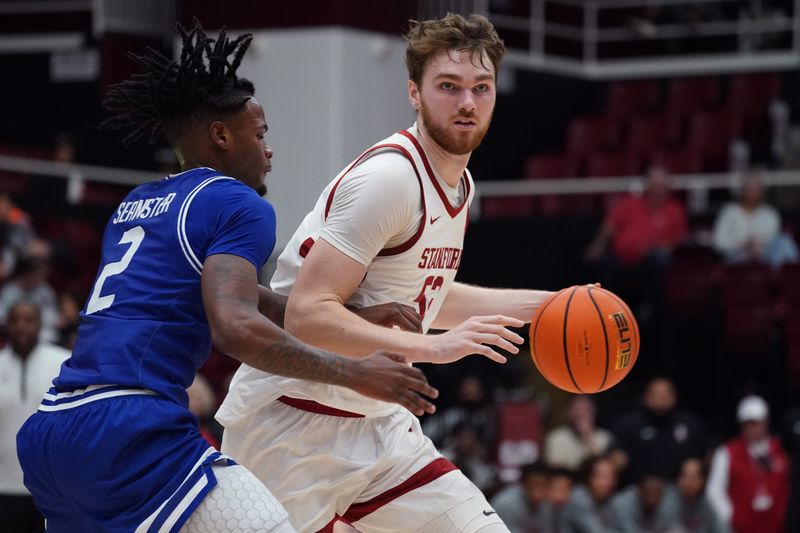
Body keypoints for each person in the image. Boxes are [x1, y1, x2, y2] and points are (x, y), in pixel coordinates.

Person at [15, 21, 437, 533]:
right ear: (221, 135)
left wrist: (350, 315)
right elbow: (234, 327)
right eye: (259, 135)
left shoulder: (136, 204)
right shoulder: (235, 201)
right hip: (128, 428)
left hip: (51, 432)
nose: (269, 150)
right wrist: (357, 372)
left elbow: (240, 294)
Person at [218, 13, 559, 532]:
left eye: (480, 88)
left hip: (379, 427)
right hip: (291, 423)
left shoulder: (460, 183)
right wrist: (434, 348)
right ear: (415, 93)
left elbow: (427, 295)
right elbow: (307, 315)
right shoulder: (391, 178)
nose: (467, 102)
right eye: (449, 86)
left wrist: (555, 305)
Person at [0, 300, 70, 533]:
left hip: (53, 489)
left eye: (29, 320)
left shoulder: (63, 363)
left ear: (40, 325)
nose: (22, 326)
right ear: (6, 325)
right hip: (4, 488)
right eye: (15, 320)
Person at [706, 395, 789, 533]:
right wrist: (730, 516)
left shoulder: (783, 449)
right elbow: (714, 491)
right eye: (747, 423)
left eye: (756, 422)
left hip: (779, 527)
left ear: (766, 421)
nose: (752, 428)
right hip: (741, 528)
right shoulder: (726, 452)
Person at [612, 377, 708, 485]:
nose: (662, 398)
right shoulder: (628, 425)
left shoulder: (690, 424)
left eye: (666, 393)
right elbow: (616, 456)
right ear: (646, 396)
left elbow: (704, 457)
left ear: (675, 396)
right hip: (637, 490)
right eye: (657, 394)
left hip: (679, 491)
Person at [712, 171, 799, 267]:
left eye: (756, 189)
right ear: (743, 190)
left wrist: (758, 246)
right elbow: (719, 243)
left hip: (765, 256)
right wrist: (744, 244)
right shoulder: (729, 212)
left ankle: (790, 275)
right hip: (736, 256)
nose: (753, 193)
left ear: (763, 192)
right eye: (750, 189)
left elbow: (772, 239)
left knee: (784, 242)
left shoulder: (770, 213)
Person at [544, 395, 613, 471]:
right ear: (569, 412)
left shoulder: (604, 437)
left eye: (585, 409)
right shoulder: (556, 437)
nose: (581, 414)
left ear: (594, 411)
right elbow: (556, 471)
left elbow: (602, 471)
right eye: (577, 409)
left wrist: (588, 437)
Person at [562, 456, 619, 532]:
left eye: (611, 477)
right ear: (588, 477)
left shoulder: (609, 500)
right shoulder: (578, 498)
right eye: (600, 477)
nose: (606, 483)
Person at [490, 462, 551, 533]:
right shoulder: (506, 504)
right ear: (523, 483)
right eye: (533, 485)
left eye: (543, 485)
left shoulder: (548, 502)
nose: (538, 490)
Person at [610, 472, 681, 532]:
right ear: (639, 491)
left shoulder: (670, 503)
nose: (653, 497)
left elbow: (673, 528)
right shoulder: (623, 503)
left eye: (656, 492)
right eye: (649, 492)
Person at [675, 457, 728, 533]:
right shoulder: (667, 502)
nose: (689, 482)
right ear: (678, 479)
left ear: (702, 481)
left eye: (694, 477)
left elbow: (722, 529)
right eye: (685, 476)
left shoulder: (707, 504)